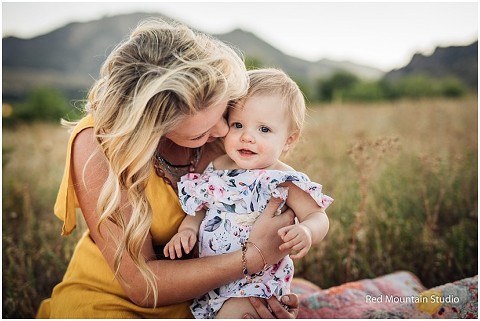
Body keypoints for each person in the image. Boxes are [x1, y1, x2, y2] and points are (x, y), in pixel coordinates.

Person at [36, 18, 300, 318]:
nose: (225, 130)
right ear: (152, 128)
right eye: (199, 134)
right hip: (115, 301)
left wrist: (267, 288)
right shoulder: (99, 145)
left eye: (225, 111)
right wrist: (254, 258)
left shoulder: (227, 133)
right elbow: (141, 285)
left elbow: (272, 218)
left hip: (213, 295)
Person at [164, 68, 333, 319]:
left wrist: (307, 231)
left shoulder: (284, 180)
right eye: (238, 124)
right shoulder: (217, 167)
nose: (247, 137)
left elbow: (318, 216)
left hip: (255, 284)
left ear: (288, 140)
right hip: (211, 279)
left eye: (263, 129)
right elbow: (201, 208)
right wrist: (187, 231)